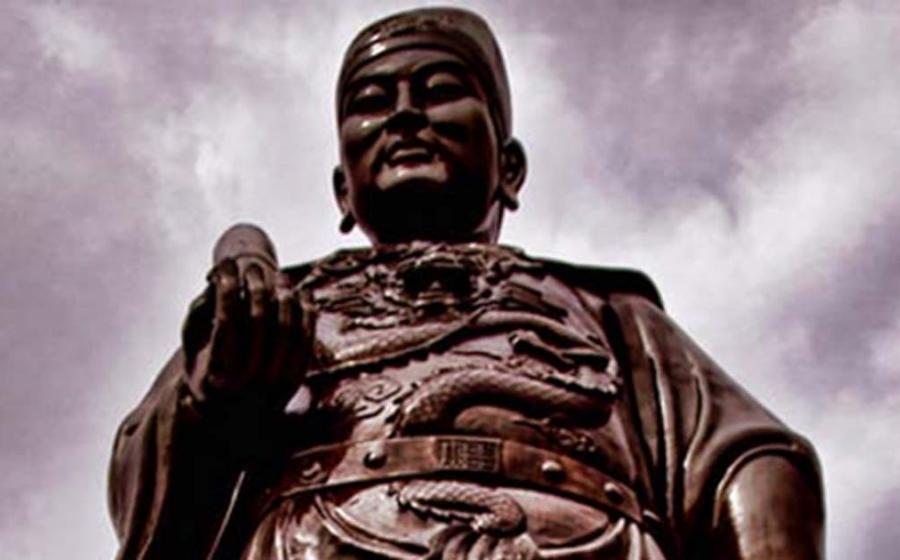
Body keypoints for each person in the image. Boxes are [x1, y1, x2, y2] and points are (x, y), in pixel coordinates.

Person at [109, 7, 824, 559]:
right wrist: (218, 395)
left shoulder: (605, 311)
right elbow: (145, 474)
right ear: (342, 192)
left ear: (510, 169)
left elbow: (743, 452)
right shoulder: (289, 306)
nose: (404, 115)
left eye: (441, 91)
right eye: (372, 101)